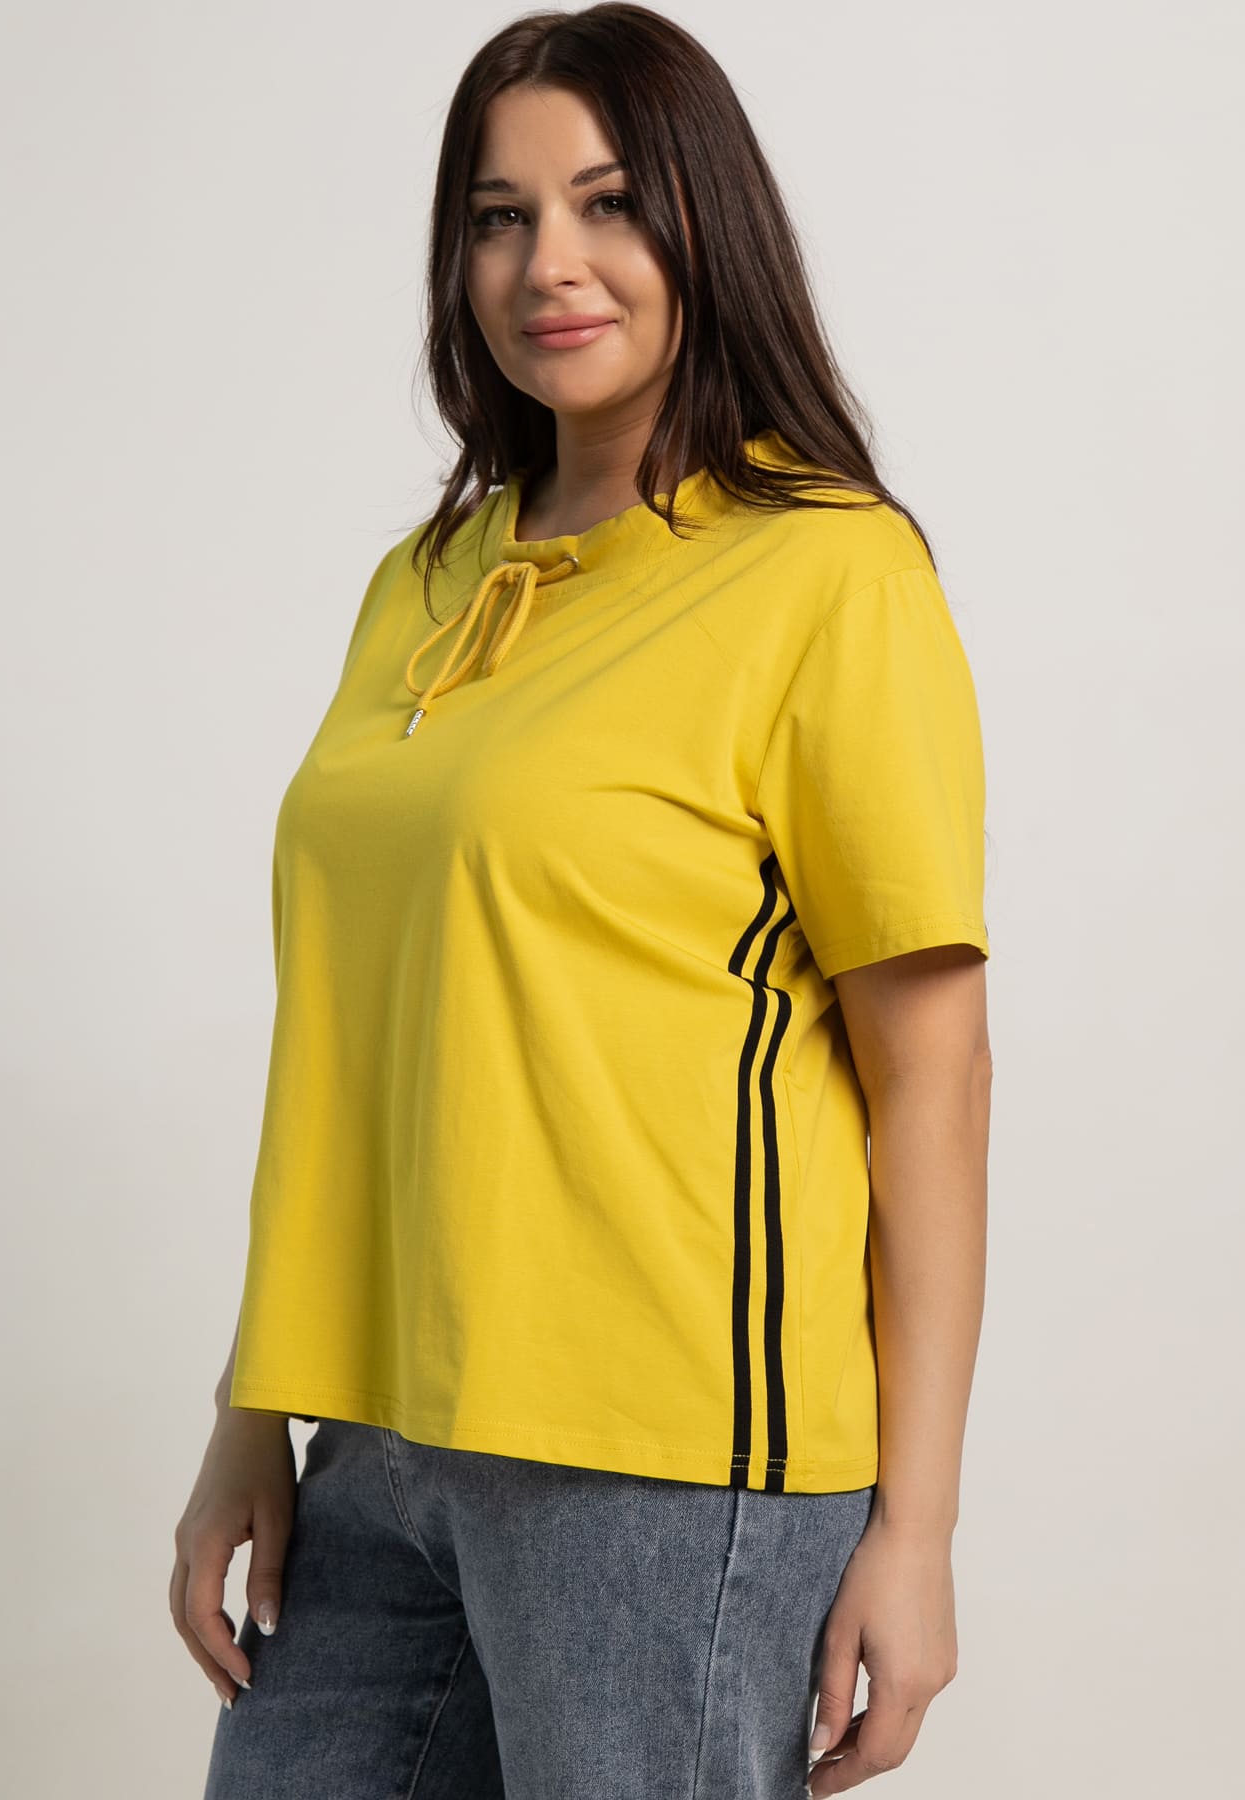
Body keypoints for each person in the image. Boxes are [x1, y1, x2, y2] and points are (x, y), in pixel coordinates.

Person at [170, 6, 994, 1797]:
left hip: (661, 1453)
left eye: (608, 203)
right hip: (377, 1432)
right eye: (498, 216)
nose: (548, 262)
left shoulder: (825, 571)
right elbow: (364, 1039)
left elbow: (930, 1074)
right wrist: (253, 1409)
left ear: (707, 223)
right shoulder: (429, 578)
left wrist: (916, 1531)